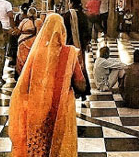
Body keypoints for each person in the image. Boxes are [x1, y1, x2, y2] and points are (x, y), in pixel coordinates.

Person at [9, 13, 87, 156]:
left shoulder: (36, 53)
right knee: (58, 145)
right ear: (62, 30)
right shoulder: (70, 53)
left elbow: (24, 83)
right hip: (61, 108)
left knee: (39, 145)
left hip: (37, 109)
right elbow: (81, 84)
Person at [63, 0, 91, 99]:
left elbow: (63, 31)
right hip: (80, 46)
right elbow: (88, 32)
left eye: (69, 2)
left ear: (72, 3)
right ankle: (83, 90)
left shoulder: (67, 15)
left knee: (69, 68)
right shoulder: (83, 16)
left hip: (69, 45)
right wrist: (86, 43)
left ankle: (72, 90)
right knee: (81, 66)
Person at [15, 7, 42, 79]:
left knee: (22, 60)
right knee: (32, 60)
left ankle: (21, 76)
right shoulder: (39, 21)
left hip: (23, 42)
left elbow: (18, 31)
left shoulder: (24, 21)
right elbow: (40, 33)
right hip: (34, 42)